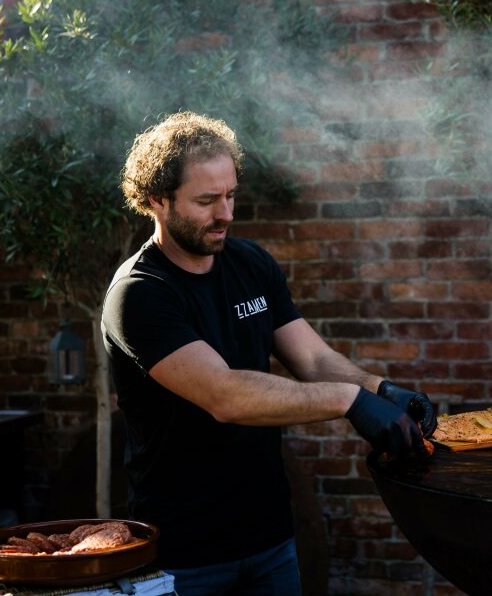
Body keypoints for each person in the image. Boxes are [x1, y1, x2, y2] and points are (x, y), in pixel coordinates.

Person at [100, 111, 437, 596]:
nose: (225, 214)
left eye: (230, 195)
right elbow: (224, 395)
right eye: (206, 201)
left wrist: (380, 389)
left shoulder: (251, 264)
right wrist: (350, 401)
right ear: (157, 199)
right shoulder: (140, 293)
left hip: (271, 539)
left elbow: (313, 359)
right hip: (186, 554)